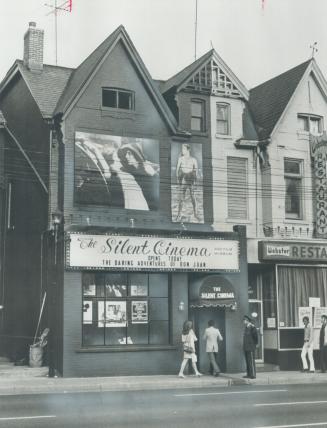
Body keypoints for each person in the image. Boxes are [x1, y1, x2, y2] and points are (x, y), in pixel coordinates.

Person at [117, 142, 159, 211]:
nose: (126, 156)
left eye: (129, 153)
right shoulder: (126, 171)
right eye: (125, 154)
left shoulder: (149, 168)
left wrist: (154, 175)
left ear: (136, 153)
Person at [176, 144, 199, 221]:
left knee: (193, 197)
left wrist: (195, 181)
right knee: (181, 197)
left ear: (188, 150)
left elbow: (196, 170)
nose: (182, 151)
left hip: (191, 178)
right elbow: (177, 169)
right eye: (182, 149)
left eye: (184, 149)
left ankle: (195, 214)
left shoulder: (193, 160)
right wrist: (178, 179)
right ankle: (179, 214)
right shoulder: (180, 159)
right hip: (183, 178)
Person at [243, 315, 258, 379]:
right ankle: (249, 374)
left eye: (244, 320)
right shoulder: (246, 327)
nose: (243, 321)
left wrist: (255, 344)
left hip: (251, 346)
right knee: (247, 361)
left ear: (247, 320)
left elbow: (255, 337)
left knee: (251, 361)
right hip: (246, 347)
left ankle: (253, 374)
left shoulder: (252, 327)